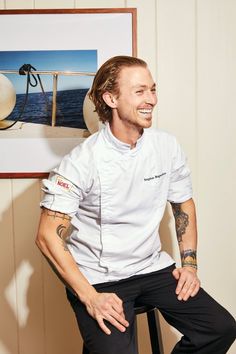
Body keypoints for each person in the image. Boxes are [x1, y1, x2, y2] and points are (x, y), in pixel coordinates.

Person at [36, 55, 236, 354]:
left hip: (152, 267)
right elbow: (47, 235)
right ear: (110, 98)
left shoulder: (166, 147)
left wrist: (190, 266)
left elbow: (183, 204)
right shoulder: (81, 162)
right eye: (140, 91)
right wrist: (90, 297)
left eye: (153, 90)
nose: (151, 100)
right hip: (99, 277)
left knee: (220, 328)